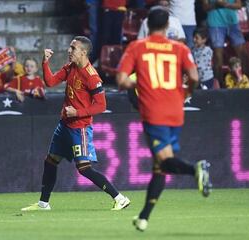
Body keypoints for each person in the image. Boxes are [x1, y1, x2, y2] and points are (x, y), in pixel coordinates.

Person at [116, 7, 212, 231]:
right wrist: (186, 92)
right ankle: (143, 217)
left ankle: (196, 169)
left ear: (147, 25)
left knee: (165, 161)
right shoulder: (179, 47)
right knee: (160, 167)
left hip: (154, 111)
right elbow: (195, 77)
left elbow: (121, 80)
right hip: (176, 110)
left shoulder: (137, 47)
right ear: (168, 26)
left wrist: (139, 84)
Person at [21, 36, 130, 211]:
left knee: (84, 168)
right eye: (70, 47)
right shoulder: (71, 67)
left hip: (80, 129)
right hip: (64, 125)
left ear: (83, 52)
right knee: (50, 161)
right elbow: (50, 82)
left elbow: (102, 105)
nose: (69, 51)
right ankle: (43, 204)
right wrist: (45, 63)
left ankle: (120, 198)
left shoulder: (92, 77)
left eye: (73, 48)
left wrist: (77, 112)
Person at [202, 0, 249, 87]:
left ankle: (247, 82)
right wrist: (216, 4)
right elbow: (205, 7)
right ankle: (218, 86)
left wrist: (225, 4)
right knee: (217, 56)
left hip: (232, 23)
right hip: (215, 23)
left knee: (243, 53)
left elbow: (239, 5)